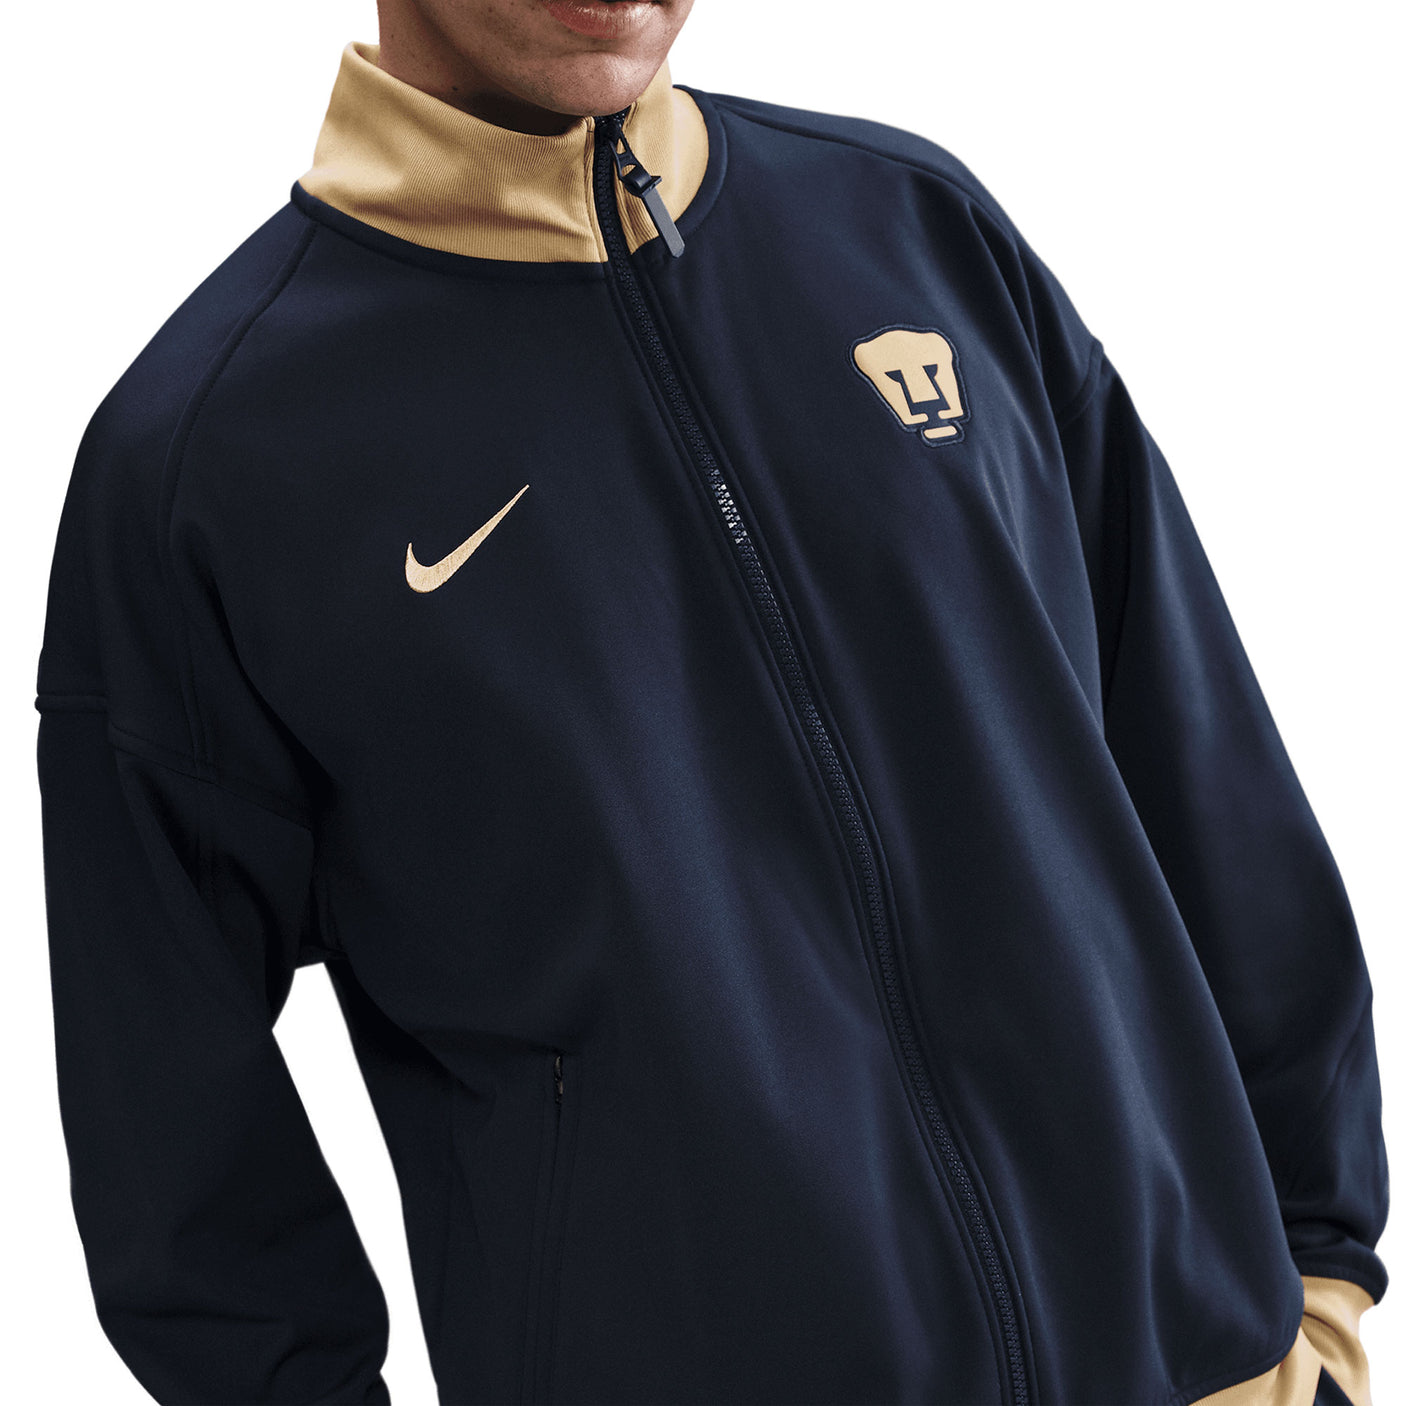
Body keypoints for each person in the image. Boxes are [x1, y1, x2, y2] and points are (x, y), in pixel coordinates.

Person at [32, 0, 1388, 1402]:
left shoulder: (915, 229)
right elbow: (175, 1160)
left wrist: (1319, 1282)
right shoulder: (211, 459)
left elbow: (1208, 785)